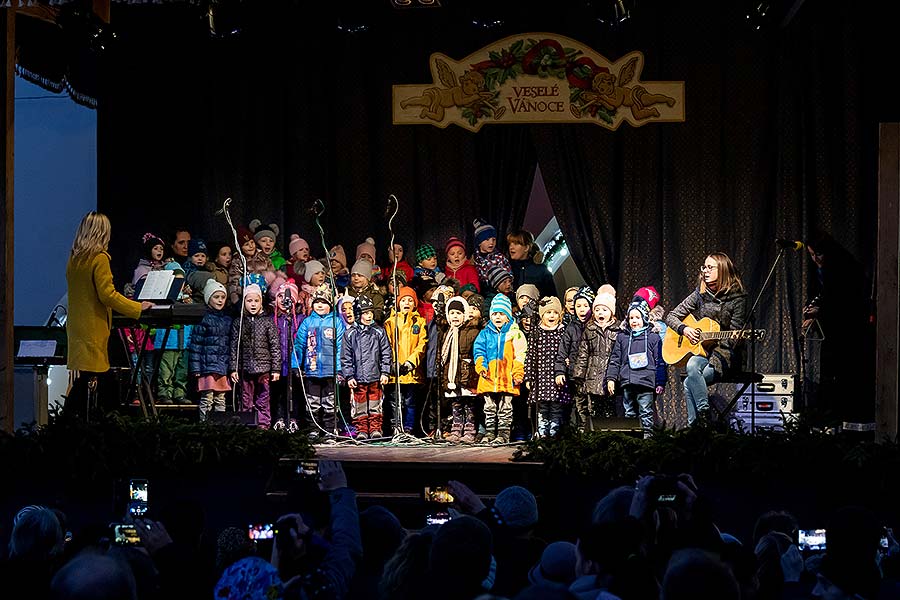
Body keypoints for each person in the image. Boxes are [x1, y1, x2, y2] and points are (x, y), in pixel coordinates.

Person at [65, 212, 152, 416]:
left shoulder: (75, 258)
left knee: (87, 377)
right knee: (95, 378)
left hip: (77, 326)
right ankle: (84, 422)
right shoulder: (99, 258)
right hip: (93, 326)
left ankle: (73, 421)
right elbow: (108, 295)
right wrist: (136, 308)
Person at [665, 252, 747, 425]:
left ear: (723, 270)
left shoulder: (737, 298)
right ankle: (704, 414)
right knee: (692, 365)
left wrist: (736, 338)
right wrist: (684, 329)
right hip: (702, 352)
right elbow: (671, 316)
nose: (705, 271)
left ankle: (695, 425)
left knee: (689, 382)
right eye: (704, 267)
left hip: (725, 355)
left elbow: (733, 338)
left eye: (710, 267)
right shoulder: (700, 294)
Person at [803, 232, 873, 427]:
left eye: (819, 254)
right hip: (831, 332)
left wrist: (821, 310)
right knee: (829, 374)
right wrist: (811, 310)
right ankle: (829, 421)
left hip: (849, 332)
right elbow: (821, 295)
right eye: (811, 255)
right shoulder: (819, 270)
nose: (815, 259)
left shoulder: (845, 267)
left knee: (845, 376)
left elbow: (847, 301)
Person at [605, 298, 667, 437]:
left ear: (644, 318)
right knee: (629, 412)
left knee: (646, 412)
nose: (634, 320)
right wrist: (611, 378)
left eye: (637, 317)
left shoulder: (653, 338)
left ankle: (647, 440)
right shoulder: (623, 337)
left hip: (646, 382)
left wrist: (660, 381)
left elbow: (660, 361)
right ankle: (632, 440)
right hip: (628, 382)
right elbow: (615, 359)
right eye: (631, 317)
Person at [292, 284, 345, 438]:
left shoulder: (336, 322)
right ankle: (313, 428)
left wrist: (339, 369)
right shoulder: (307, 322)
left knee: (330, 402)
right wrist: (296, 365)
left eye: (324, 302)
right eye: (317, 302)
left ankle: (330, 429)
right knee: (313, 401)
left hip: (330, 371)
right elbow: (299, 345)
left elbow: (340, 347)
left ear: (330, 304)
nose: (320, 305)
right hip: (312, 369)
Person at [474, 294, 527, 444]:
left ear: (508, 316)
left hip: (507, 377)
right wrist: (481, 366)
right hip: (489, 377)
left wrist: (517, 373)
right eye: (494, 314)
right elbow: (479, 351)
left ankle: (503, 434)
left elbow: (520, 355)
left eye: (501, 314)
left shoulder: (515, 334)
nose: (497, 317)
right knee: (489, 408)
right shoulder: (484, 334)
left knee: (505, 408)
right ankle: (490, 432)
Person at [230, 283, 281, 429]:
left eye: (256, 301)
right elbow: (234, 346)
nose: (253, 304)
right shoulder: (239, 322)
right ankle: (246, 424)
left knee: (263, 398)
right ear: (244, 302)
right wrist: (233, 368)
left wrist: (276, 369)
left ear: (261, 302)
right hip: (245, 368)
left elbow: (275, 346)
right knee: (245, 398)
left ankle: (263, 425)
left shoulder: (267, 321)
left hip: (263, 368)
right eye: (249, 301)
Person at [341, 295, 391, 440]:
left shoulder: (379, 332)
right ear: (358, 314)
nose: (368, 316)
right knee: (359, 405)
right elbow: (346, 357)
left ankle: (375, 428)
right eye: (365, 313)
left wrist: (385, 372)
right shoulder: (350, 334)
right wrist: (349, 376)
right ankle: (362, 430)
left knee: (375, 404)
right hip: (358, 378)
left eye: (370, 313)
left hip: (375, 376)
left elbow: (386, 353)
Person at [572, 285, 619, 430]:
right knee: (594, 411)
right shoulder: (589, 329)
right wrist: (579, 376)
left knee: (610, 411)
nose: (600, 312)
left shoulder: (618, 331)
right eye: (597, 309)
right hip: (592, 377)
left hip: (610, 378)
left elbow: (619, 356)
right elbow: (583, 354)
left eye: (604, 309)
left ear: (611, 312)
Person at [384, 286, 428, 436]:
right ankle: (396, 426)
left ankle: (409, 427)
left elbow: (422, 345)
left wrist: (410, 362)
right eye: (403, 300)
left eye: (410, 300)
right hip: (395, 371)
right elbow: (387, 344)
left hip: (412, 371)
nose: (407, 303)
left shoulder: (420, 322)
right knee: (395, 401)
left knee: (410, 402)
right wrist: (393, 363)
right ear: (398, 303)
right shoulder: (390, 322)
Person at [523, 297, 571, 438]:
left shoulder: (563, 332)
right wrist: (529, 377)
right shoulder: (537, 332)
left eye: (555, 313)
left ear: (560, 315)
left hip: (557, 376)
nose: (551, 316)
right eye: (548, 312)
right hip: (541, 377)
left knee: (556, 406)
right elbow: (530, 356)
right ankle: (542, 433)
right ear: (542, 314)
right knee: (543, 408)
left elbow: (567, 351)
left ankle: (554, 432)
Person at [188, 280, 232, 421]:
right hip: (207, 367)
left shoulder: (227, 319)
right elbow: (196, 345)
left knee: (221, 399)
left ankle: (220, 425)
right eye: (216, 297)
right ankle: (204, 424)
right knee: (207, 398)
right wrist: (196, 368)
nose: (220, 300)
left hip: (222, 367)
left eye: (222, 297)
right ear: (208, 298)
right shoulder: (204, 319)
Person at [506, 229, 557, 299]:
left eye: (516, 244)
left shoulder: (542, 271)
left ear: (526, 248)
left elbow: (552, 298)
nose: (511, 247)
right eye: (510, 244)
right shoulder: (506, 267)